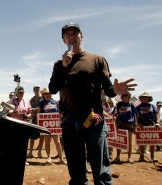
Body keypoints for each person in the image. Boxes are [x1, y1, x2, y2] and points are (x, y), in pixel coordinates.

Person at [48, 22, 137, 185]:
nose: (71, 37)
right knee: (76, 170)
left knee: (100, 168)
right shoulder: (58, 64)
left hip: (93, 119)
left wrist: (117, 90)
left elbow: (108, 89)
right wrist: (63, 66)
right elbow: (53, 89)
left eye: (75, 33)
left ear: (81, 37)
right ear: (63, 40)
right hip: (69, 121)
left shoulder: (97, 60)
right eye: (67, 34)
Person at [37, 87, 67, 165]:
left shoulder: (55, 102)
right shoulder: (41, 103)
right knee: (47, 141)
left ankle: (61, 159)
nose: (47, 95)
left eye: (48, 93)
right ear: (43, 95)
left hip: (54, 125)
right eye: (45, 94)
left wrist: (60, 118)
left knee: (57, 141)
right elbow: (38, 113)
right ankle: (48, 157)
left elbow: (59, 112)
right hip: (45, 125)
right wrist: (39, 124)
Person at [9, 86, 32, 165]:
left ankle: (23, 159)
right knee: (14, 142)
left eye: (22, 92)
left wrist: (27, 116)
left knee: (24, 142)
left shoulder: (26, 101)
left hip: (24, 124)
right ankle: (13, 159)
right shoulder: (12, 101)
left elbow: (30, 112)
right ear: (16, 93)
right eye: (20, 92)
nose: (21, 94)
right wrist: (14, 112)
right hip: (14, 124)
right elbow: (8, 111)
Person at [112, 92, 137, 164]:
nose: (125, 97)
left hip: (129, 123)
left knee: (129, 141)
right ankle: (118, 157)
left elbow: (135, 115)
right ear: (122, 97)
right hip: (120, 123)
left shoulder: (132, 105)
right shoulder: (118, 105)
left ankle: (129, 157)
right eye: (124, 96)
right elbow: (114, 114)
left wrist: (135, 124)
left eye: (127, 96)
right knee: (120, 140)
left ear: (129, 97)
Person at [136, 92, 159, 162]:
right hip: (142, 125)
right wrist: (139, 124)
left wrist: (157, 122)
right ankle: (141, 157)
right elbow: (136, 117)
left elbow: (156, 115)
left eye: (145, 97)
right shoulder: (138, 107)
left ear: (148, 98)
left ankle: (152, 157)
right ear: (141, 99)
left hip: (151, 125)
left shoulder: (152, 106)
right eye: (143, 97)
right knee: (142, 142)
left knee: (152, 142)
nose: (144, 99)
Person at [27, 85, 42, 158]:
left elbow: (43, 108)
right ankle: (30, 152)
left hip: (42, 120)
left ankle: (39, 152)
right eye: (35, 89)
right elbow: (29, 109)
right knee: (32, 136)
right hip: (33, 120)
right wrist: (35, 110)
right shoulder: (31, 100)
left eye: (38, 89)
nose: (37, 90)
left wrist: (34, 110)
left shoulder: (42, 99)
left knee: (42, 136)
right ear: (33, 90)